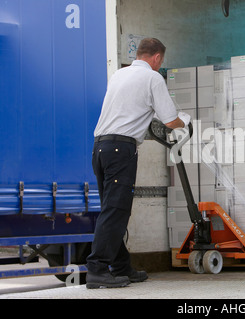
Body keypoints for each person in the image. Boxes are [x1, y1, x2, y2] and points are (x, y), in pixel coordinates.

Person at [86, 38, 190, 289]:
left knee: (111, 209)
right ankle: (97, 269)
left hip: (100, 148)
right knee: (116, 210)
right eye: (160, 61)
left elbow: (134, 107)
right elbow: (169, 120)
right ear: (156, 58)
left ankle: (121, 267)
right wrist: (185, 121)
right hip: (121, 149)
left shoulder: (119, 75)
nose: (159, 65)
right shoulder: (153, 79)